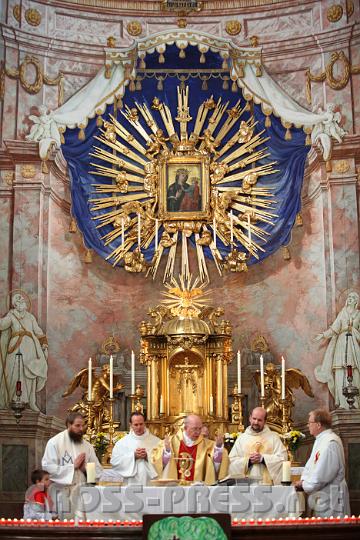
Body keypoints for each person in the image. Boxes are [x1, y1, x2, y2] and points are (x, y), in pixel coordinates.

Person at [41, 412, 102, 518]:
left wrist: (85, 469)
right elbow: (48, 467)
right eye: (77, 426)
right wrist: (72, 467)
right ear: (69, 425)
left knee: (83, 525)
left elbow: (97, 470)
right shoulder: (55, 442)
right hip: (62, 493)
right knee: (65, 526)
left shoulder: (87, 446)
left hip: (82, 493)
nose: (81, 428)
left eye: (83, 425)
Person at [295, 409, 350, 517]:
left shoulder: (330, 442)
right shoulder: (321, 440)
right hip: (324, 494)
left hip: (331, 496)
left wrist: (304, 484)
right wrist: (304, 480)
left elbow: (323, 474)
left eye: (310, 422)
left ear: (318, 424)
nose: (307, 425)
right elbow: (311, 466)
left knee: (332, 531)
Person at [0, 291, 48, 411]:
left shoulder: (30, 317)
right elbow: (2, 325)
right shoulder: (11, 316)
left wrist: (44, 344)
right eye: (18, 299)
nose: (21, 300)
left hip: (30, 347)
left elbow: (39, 332)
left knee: (30, 373)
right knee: (14, 371)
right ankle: (13, 400)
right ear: (14, 304)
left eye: (22, 299)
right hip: (15, 347)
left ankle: (31, 402)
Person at [151, 414, 229, 484]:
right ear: (185, 428)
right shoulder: (170, 442)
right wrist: (167, 452)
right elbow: (158, 464)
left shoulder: (208, 445)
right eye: (194, 429)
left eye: (200, 428)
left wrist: (218, 448)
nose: (198, 432)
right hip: (175, 489)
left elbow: (215, 467)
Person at [315, 291, 360, 409]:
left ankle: (355, 402)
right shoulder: (342, 313)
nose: (350, 299)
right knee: (340, 370)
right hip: (341, 343)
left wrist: (355, 332)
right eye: (349, 297)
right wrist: (323, 335)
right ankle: (342, 402)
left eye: (353, 297)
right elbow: (334, 328)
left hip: (354, 344)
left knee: (354, 370)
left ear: (356, 301)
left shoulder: (358, 314)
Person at [228, 407, 287, 485]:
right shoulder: (242, 438)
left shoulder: (273, 437)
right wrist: (248, 461)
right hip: (246, 485)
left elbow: (283, 459)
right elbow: (231, 461)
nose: (256, 422)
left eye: (259, 420)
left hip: (268, 485)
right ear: (250, 418)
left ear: (265, 421)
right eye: (254, 418)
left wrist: (263, 459)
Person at [110, 412, 160, 485]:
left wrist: (148, 456)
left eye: (141, 424)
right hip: (130, 482)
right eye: (136, 425)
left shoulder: (156, 442)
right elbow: (115, 462)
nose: (139, 427)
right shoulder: (122, 443)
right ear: (130, 425)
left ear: (145, 423)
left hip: (150, 481)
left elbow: (164, 462)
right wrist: (133, 456)